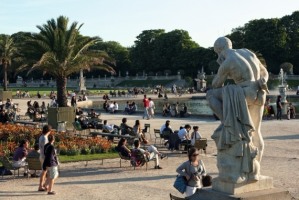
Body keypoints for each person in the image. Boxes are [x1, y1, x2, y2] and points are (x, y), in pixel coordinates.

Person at [206, 37, 269, 183]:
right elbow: (264, 71)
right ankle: (255, 170)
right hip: (259, 92)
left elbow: (216, 84)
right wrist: (263, 80)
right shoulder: (248, 52)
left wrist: (223, 69)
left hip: (244, 93)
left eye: (217, 54)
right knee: (256, 131)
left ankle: (228, 122)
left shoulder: (227, 62)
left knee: (210, 96)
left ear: (219, 51)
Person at [38, 125, 51, 192]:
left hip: (42, 156)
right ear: (49, 131)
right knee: (47, 172)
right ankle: (44, 185)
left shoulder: (41, 137)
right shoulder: (45, 138)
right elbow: (46, 149)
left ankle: (42, 185)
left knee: (44, 172)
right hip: (45, 156)